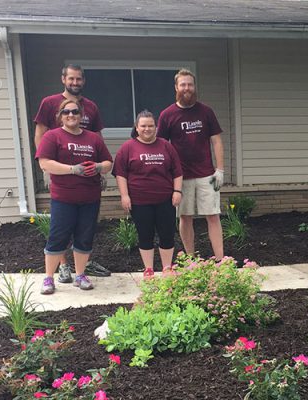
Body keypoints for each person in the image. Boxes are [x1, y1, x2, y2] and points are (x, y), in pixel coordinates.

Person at [34, 64, 108, 283]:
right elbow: (40, 134)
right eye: (71, 79)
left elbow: (98, 139)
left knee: (83, 228)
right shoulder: (49, 103)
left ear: (83, 81)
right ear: (63, 79)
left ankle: (79, 271)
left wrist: (99, 170)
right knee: (61, 226)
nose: (75, 83)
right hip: (60, 177)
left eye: (78, 79)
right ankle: (62, 266)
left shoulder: (91, 107)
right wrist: (45, 168)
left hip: (87, 184)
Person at [157, 68, 224, 260]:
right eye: (183, 84)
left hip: (207, 175)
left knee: (213, 216)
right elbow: (162, 147)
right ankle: (190, 260)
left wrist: (220, 170)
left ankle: (221, 260)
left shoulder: (206, 112)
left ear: (194, 87)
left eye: (190, 84)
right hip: (181, 177)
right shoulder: (167, 115)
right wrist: (167, 175)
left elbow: (217, 141)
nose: (187, 88)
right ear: (176, 87)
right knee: (185, 217)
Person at [112, 110, 183, 278]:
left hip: (165, 199)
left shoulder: (166, 145)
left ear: (156, 127)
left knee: (167, 233)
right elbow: (120, 174)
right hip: (140, 200)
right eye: (143, 126)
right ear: (137, 128)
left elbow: (177, 172)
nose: (147, 129)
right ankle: (149, 269)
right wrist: (124, 195)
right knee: (145, 234)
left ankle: (167, 267)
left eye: (151, 125)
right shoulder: (127, 148)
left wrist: (177, 191)